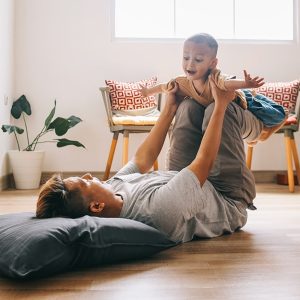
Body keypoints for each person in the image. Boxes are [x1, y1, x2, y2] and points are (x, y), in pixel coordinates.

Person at [36, 78, 264, 244]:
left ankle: (200, 108)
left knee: (188, 106)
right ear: (96, 207)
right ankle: (261, 130)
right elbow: (203, 163)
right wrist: (222, 105)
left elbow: (142, 159)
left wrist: (170, 108)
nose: (88, 175)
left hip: (183, 180)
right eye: (85, 182)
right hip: (226, 196)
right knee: (217, 108)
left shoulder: (112, 190)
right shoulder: (156, 213)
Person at [139, 33, 287, 145]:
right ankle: (257, 136)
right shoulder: (182, 82)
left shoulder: (215, 78)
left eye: (198, 60)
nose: (190, 64)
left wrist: (246, 84)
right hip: (226, 100)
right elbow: (164, 87)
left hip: (244, 98)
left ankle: (272, 125)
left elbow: (227, 83)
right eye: (185, 58)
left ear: (212, 63)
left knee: (278, 115)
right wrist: (147, 92)